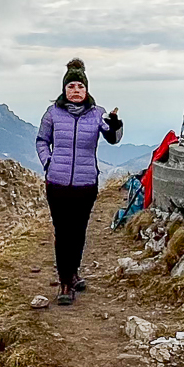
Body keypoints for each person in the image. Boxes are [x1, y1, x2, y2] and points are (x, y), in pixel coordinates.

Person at [35, 57, 122, 306]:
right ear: (64, 89)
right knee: (63, 232)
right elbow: (42, 140)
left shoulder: (97, 114)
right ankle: (64, 281)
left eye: (80, 87)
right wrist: (48, 163)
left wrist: (116, 125)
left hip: (85, 184)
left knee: (79, 232)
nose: (76, 91)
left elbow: (113, 138)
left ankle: (73, 273)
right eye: (71, 86)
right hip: (58, 184)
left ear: (87, 89)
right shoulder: (53, 113)